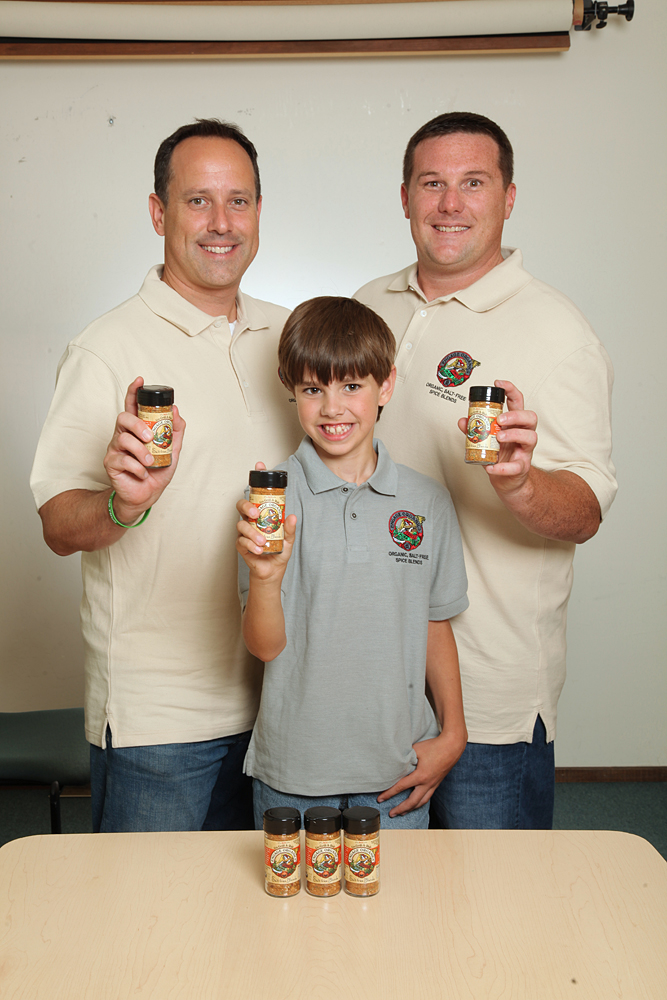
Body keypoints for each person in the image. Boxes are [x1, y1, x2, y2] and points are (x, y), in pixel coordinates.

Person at [30, 119, 302, 832]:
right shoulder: (105, 348)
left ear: (259, 212)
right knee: (147, 904)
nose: (221, 222)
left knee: (264, 901)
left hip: (284, 703)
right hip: (159, 722)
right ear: (159, 212)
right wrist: (122, 505)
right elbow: (58, 524)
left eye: (238, 201)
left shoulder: (294, 340)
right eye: (197, 200)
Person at [355, 112, 617, 829]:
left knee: (496, 893)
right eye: (431, 184)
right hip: (374, 674)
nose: (450, 204)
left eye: (473, 183)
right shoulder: (367, 307)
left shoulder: (557, 332)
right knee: (382, 891)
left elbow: (586, 511)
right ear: (404, 197)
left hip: (490, 688)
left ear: (508, 198)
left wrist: (521, 485)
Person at [236, 297, 469, 829]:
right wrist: (266, 579)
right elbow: (264, 647)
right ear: (290, 389)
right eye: (312, 390)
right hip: (293, 770)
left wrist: (453, 734)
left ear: (385, 387)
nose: (331, 408)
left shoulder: (427, 501)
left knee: (398, 887)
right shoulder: (270, 501)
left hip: (396, 769)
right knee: (290, 889)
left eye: (351, 386)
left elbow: (434, 623)